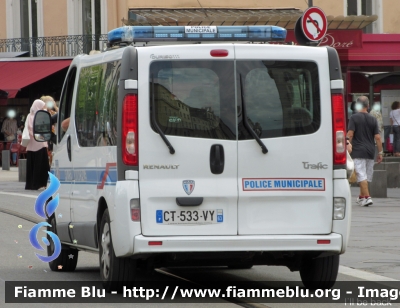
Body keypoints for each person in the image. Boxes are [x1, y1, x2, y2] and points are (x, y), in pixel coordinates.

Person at [347, 96, 383, 207]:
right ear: (368, 106)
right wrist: (380, 152)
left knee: (360, 174)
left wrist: (347, 143)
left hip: (358, 150)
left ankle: (367, 197)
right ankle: (361, 197)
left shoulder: (354, 117)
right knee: (366, 175)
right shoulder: (373, 119)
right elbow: (377, 137)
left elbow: (350, 134)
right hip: (370, 151)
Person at [25, 100, 50, 190]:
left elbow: (29, 129)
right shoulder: (39, 116)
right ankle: (40, 183)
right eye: (42, 106)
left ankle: (31, 184)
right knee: (42, 165)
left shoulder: (29, 116)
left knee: (32, 165)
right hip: (40, 143)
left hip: (31, 144)